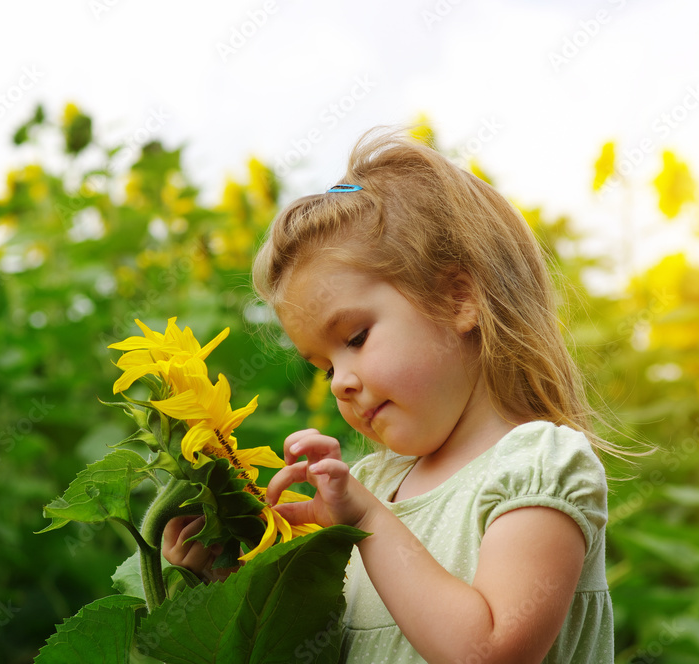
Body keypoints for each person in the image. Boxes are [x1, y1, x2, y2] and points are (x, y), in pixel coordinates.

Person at [165, 128, 622, 663]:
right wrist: (221, 574)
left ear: (458, 298)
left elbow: (493, 652)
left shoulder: (537, 466)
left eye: (356, 338)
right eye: (324, 365)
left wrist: (366, 522)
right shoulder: (372, 486)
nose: (339, 381)